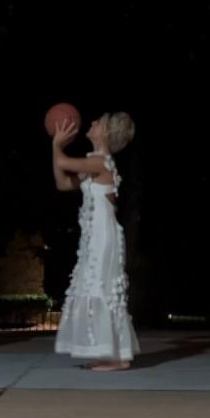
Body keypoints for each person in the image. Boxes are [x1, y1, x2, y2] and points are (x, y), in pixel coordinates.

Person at [50, 112, 139, 370]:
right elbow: (63, 183)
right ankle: (114, 354)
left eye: (97, 123)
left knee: (101, 288)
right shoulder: (95, 163)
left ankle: (117, 358)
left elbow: (64, 161)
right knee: (99, 287)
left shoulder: (100, 162)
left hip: (103, 236)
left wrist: (57, 145)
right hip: (95, 236)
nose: (91, 124)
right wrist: (55, 148)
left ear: (106, 133)